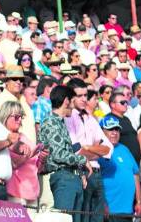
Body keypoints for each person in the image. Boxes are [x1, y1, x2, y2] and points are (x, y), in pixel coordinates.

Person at [38, 85, 90, 222]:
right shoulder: (51, 122)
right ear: (66, 101)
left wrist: (80, 173)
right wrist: (83, 159)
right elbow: (59, 155)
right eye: (73, 101)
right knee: (63, 219)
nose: (73, 107)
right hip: (62, 179)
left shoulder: (59, 123)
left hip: (71, 179)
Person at [65, 79, 113, 222]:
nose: (84, 99)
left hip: (97, 174)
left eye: (86, 95)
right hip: (81, 171)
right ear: (71, 97)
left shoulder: (89, 117)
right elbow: (76, 150)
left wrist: (88, 147)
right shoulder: (68, 117)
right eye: (80, 96)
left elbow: (109, 149)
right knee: (82, 218)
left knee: (97, 219)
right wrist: (97, 151)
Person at [97, 116, 141, 219]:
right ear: (101, 131)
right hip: (109, 211)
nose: (114, 132)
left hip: (127, 210)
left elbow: (135, 174)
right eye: (110, 129)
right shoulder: (98, 150)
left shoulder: (124, 149)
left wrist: (139, 201)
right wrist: (102, 204)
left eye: (117, 129)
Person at [3, 101, 44, 205]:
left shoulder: (24, 137)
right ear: (6, 116)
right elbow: (12, 165)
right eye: (16, 117)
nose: (19, 120)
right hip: (16, 191)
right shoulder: (2, 137)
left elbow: (36, 166)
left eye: (21, 117)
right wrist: (30, 155)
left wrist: (43, 158)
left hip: (32, 191)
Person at [0, 65, 37, 142]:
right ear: (6, 81)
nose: (18, 82)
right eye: (15, 79)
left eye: (21, 79)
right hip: (11, 149)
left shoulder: (23, 100)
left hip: (30, 149)